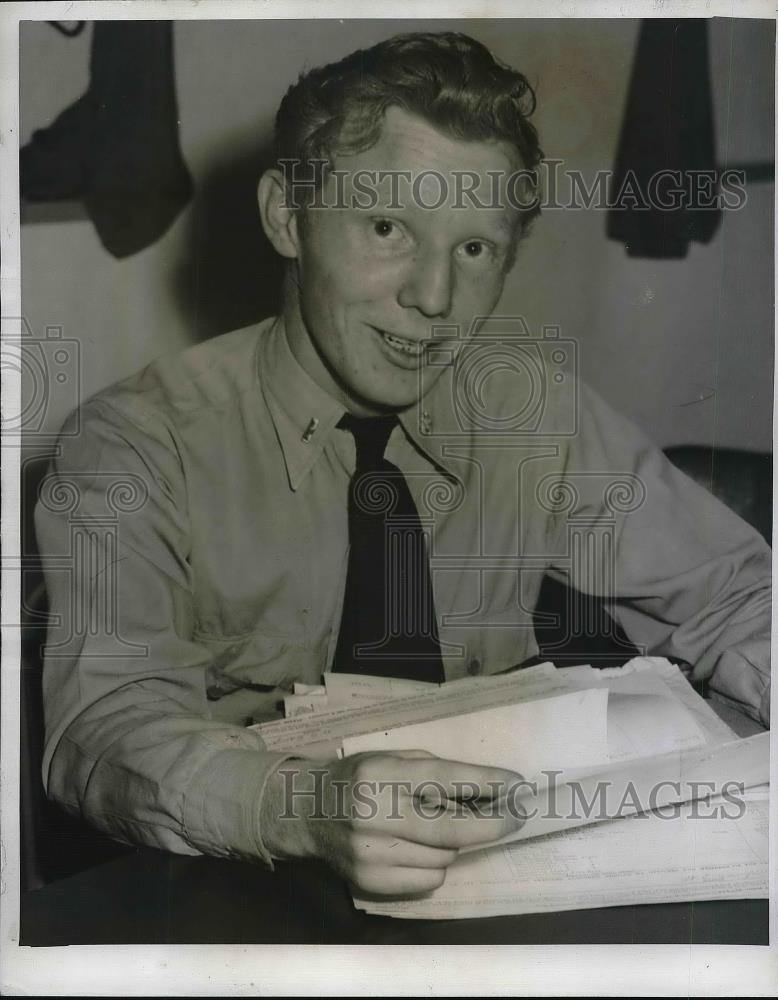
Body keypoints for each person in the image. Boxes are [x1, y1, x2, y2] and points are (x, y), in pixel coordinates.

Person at [35, 32, 771, 897]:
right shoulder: (133, 444)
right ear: (288, 217)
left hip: (496, 864)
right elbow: (103, 731)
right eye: (386, 227)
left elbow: (736, 598)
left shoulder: (536, 415)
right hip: (238, 870)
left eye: (474, 249)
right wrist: (306, 808)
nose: (433, 298)